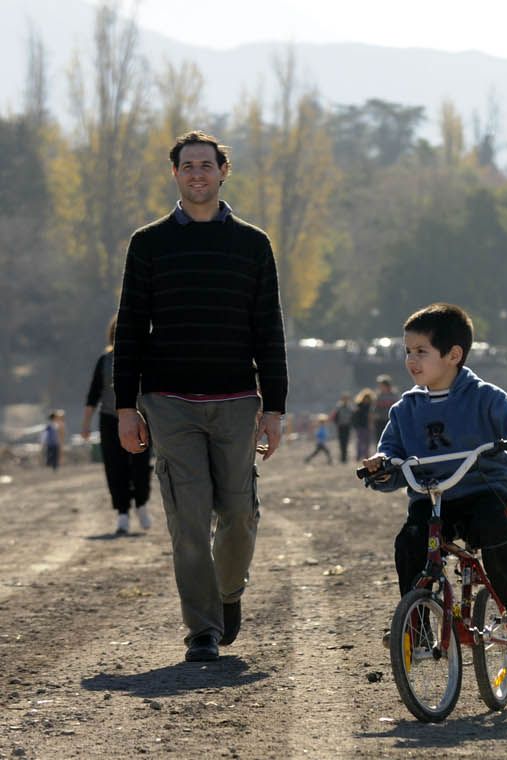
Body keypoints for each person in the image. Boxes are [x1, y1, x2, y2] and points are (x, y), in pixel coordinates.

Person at [113, 130, 286, 663]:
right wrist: (125, 406)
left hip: (237, 400)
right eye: (187, 165)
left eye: (206, 165)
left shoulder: (252, 244)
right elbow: (131, 329)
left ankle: (228, 592)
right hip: (169, 401)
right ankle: (202, 630)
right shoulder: (149, 243)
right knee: (187, 521)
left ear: (222, 171)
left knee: (239, 514)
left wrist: (274, 408)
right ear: (175, 174)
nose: (196, 173)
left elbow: (268, 330)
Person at [361, 303, 507, 637]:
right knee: (409, 544)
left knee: (493, 529)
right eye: (407, 351)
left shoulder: (484, 397)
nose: (411, 360)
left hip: (483, 490)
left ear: (453, 354)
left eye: (421, 351)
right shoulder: (405, 409)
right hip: (432, 498)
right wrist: (382, 467)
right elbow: (391, 452)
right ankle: (415, 625)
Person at [81, 316, 153, 535]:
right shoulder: (105, 361)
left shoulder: (145, 358)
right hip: (110, 420)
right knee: (115, 467)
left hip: (141, 418)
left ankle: (140, 504)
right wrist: (85, 424)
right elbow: (93, 395)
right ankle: (122, 513)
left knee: (141, 465)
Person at [372, 375, 398, 446]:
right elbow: (374, 409)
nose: (380, 387)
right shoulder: (378, 396)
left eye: (381, 385)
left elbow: (397, 408)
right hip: (379, 421)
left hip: (390, 421)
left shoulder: (394, 395)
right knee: (379, 439)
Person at [351, 389, 374, 461]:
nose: (366, 400)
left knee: (367, 442)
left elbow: (371, 416)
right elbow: (354, 416)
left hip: (367, 426)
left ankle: (366, 456)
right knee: (360, 441)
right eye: (365, 398)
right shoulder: (359, 406)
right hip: (360, 426)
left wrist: (371, 425)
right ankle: (358, 456)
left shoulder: (371, 406)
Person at [331, 394, 352, 463]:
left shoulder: (350, 407)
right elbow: (334, 417)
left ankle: (344, 458)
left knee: (346, 442)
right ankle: (342, 458)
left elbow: (352, 417)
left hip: (347, 426)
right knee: (341, 442)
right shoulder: (338, 408)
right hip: (340, 426)